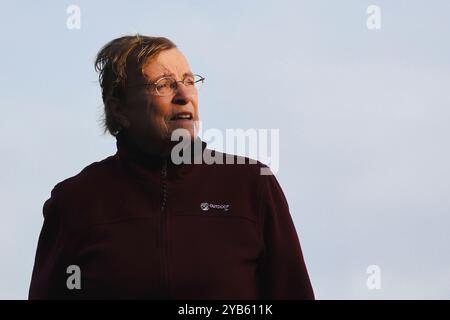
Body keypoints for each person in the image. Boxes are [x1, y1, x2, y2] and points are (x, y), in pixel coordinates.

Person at [28, 34, 314, 299]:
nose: (183, 94)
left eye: (189, 81)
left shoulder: (251, 184)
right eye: (163, 84)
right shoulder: (75, 201)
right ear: (119, 109)